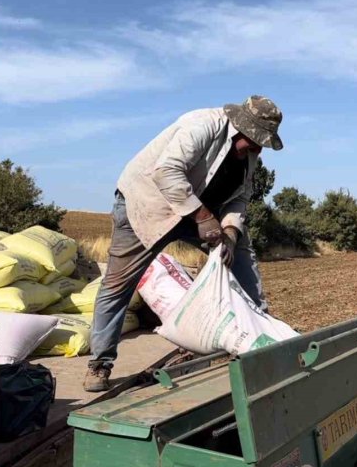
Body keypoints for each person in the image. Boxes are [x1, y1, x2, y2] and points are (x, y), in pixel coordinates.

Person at [84, 95, 284, 392]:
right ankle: (99, 364)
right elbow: (167, 171)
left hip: (197, 213)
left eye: (261, 145)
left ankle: (263, 343)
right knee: (118, 284)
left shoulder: (250, 154)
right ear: (242, 128)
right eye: (254, 142)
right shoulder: (203, 125)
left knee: (240, 253)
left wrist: (229, 232)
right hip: (148, 206)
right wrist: (203, 217)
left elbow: (241, 197)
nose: (256, 149)